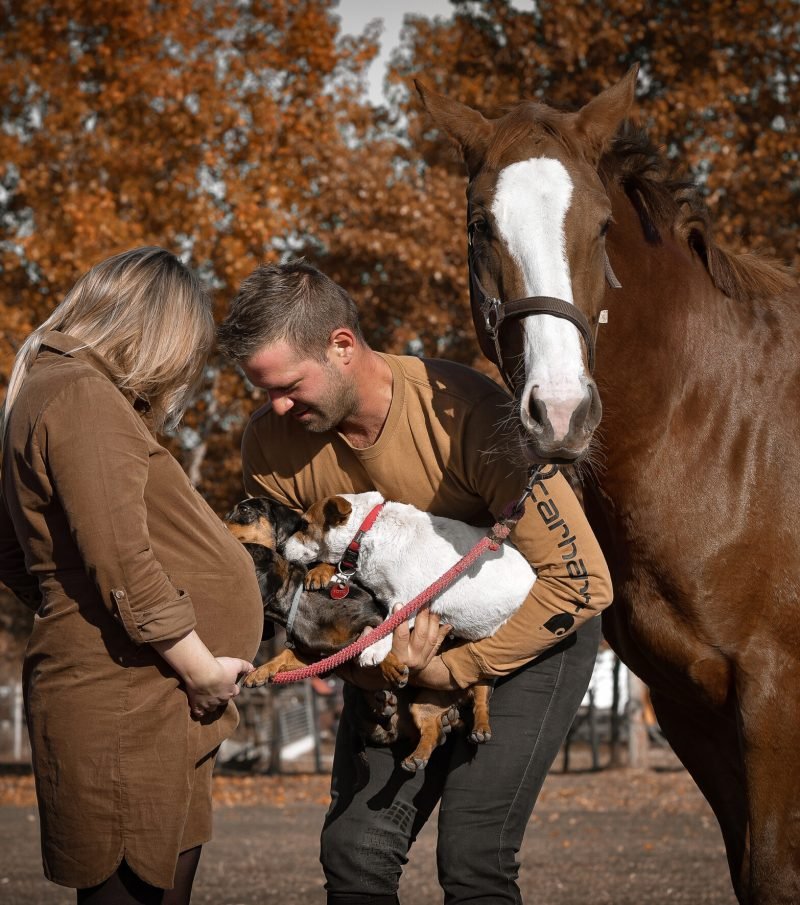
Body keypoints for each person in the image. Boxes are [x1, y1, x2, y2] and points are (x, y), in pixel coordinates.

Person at [217, 259, 613, 905]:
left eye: (288, 384)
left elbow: (582, 583)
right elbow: (307, 602)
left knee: (474, 855)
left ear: (342, 345)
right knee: (355, 853)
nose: (277, 406)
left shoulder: (471, 413)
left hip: (528, 632)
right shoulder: (270, 445)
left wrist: (456, 672)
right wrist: (381, 671)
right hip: (393, 650)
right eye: (263, 390)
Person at [0, 248, 264, 905]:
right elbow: (123, 561)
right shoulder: (82, 395)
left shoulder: (54, 388)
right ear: (154, 331)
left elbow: (18, 551)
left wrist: (74, 604)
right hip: (129, 700)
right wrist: (200, 667)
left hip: (148, 692)